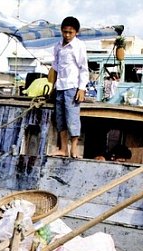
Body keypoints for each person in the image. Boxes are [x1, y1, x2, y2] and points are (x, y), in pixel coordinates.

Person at [48, 16, 88, 158]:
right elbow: (56, 67)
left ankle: (74, 149)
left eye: (70, 32)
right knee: (60, 119)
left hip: (72, 87)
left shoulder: (79, 46)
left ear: (76, 32)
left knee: (72, 118)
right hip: (60, 86)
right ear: (61, 31)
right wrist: (52, 87)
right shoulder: (58, 46)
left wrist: (82, 88)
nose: (67, 35)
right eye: (65, 32)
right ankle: (63, 148)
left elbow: (84, 68)